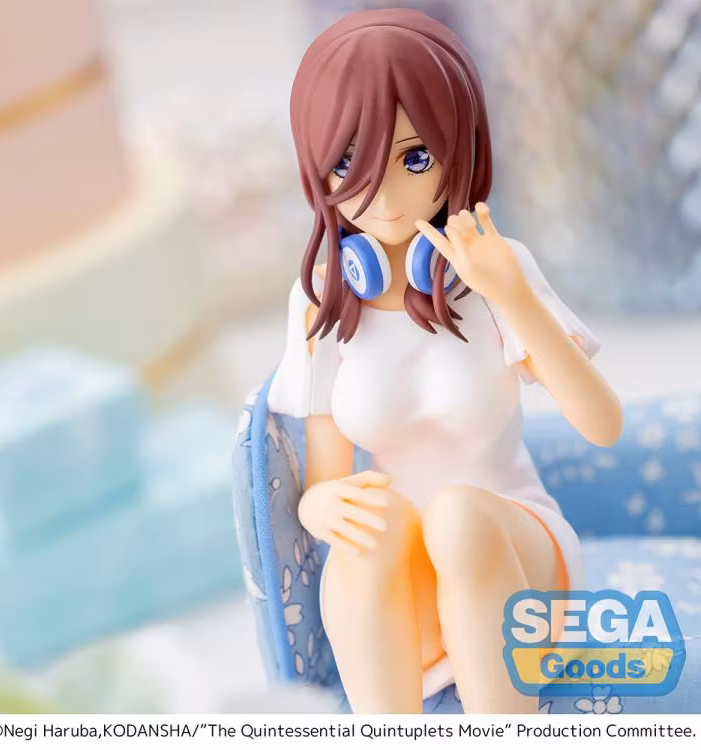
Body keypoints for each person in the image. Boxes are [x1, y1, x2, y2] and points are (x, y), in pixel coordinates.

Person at [267, 8, 623, 713]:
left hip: (519, 566)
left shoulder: (498, 271)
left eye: (415, 159)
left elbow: (603, 424)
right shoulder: (320, 304)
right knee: (373, 532)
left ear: (458, 150)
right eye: (348, 163)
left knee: (458, 517)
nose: (385, 195)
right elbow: (329, 482)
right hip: (410, 593)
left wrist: (510, 295)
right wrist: (316, 504)